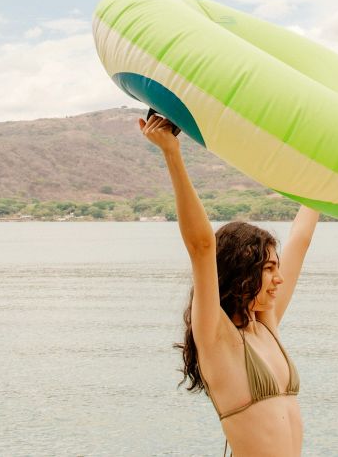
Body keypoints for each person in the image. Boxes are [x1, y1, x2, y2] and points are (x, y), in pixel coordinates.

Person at [139, 113, 320, 457]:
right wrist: (171, 153)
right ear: (240, 273)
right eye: (268, 268)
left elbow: (301, 240)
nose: (279, 278)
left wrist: (324, 181)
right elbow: (202, 246)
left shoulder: (266, 324)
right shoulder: (214, 336)